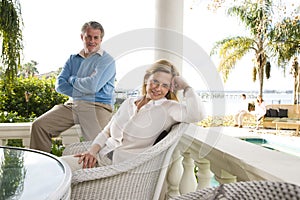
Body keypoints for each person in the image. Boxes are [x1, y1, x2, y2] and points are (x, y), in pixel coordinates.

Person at [61, 59, 205, 171]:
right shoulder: (129, 102)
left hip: (118, 170)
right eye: (155, 81)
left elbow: (197, 114)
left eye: (165, 85)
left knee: (61, 171)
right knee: (59, 167)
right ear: (146, 79)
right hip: (100, 157)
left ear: (170, 89)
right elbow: (107, 131)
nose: (158, 88)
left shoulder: (168, 109)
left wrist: (186, 86)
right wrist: (92, 152)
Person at [30, 21, 116, 152]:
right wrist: (84, 88)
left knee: (99, 147)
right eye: (88, 36)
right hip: (73, 105)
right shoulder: (73, 59)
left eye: (96, 37)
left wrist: (72, 79)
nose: (92, 41)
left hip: (98, 106)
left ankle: (100, 172)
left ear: (101, 39)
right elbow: (60, 85)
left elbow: (92, 86)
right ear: (82, 37)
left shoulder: (106, 60)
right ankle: (42, 169)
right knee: (39, 126)